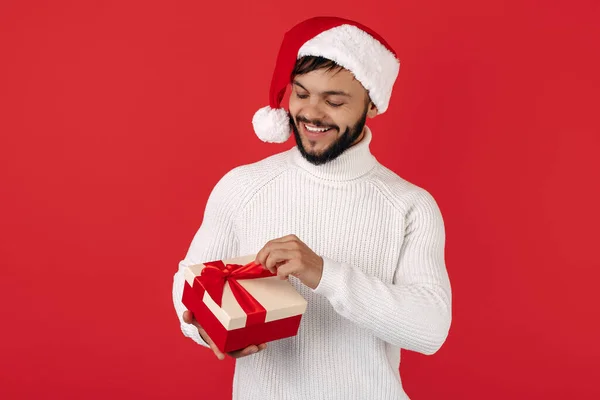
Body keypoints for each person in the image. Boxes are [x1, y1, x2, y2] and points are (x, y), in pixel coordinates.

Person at [172, 16, 452, 400]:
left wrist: (323, 272)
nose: (311, 114)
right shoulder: (243, 185)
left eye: (334, 101)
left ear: (372, 105)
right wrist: (205, 330)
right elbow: (188, 281)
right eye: (301, 94)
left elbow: (430, 329)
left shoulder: (409, 205)